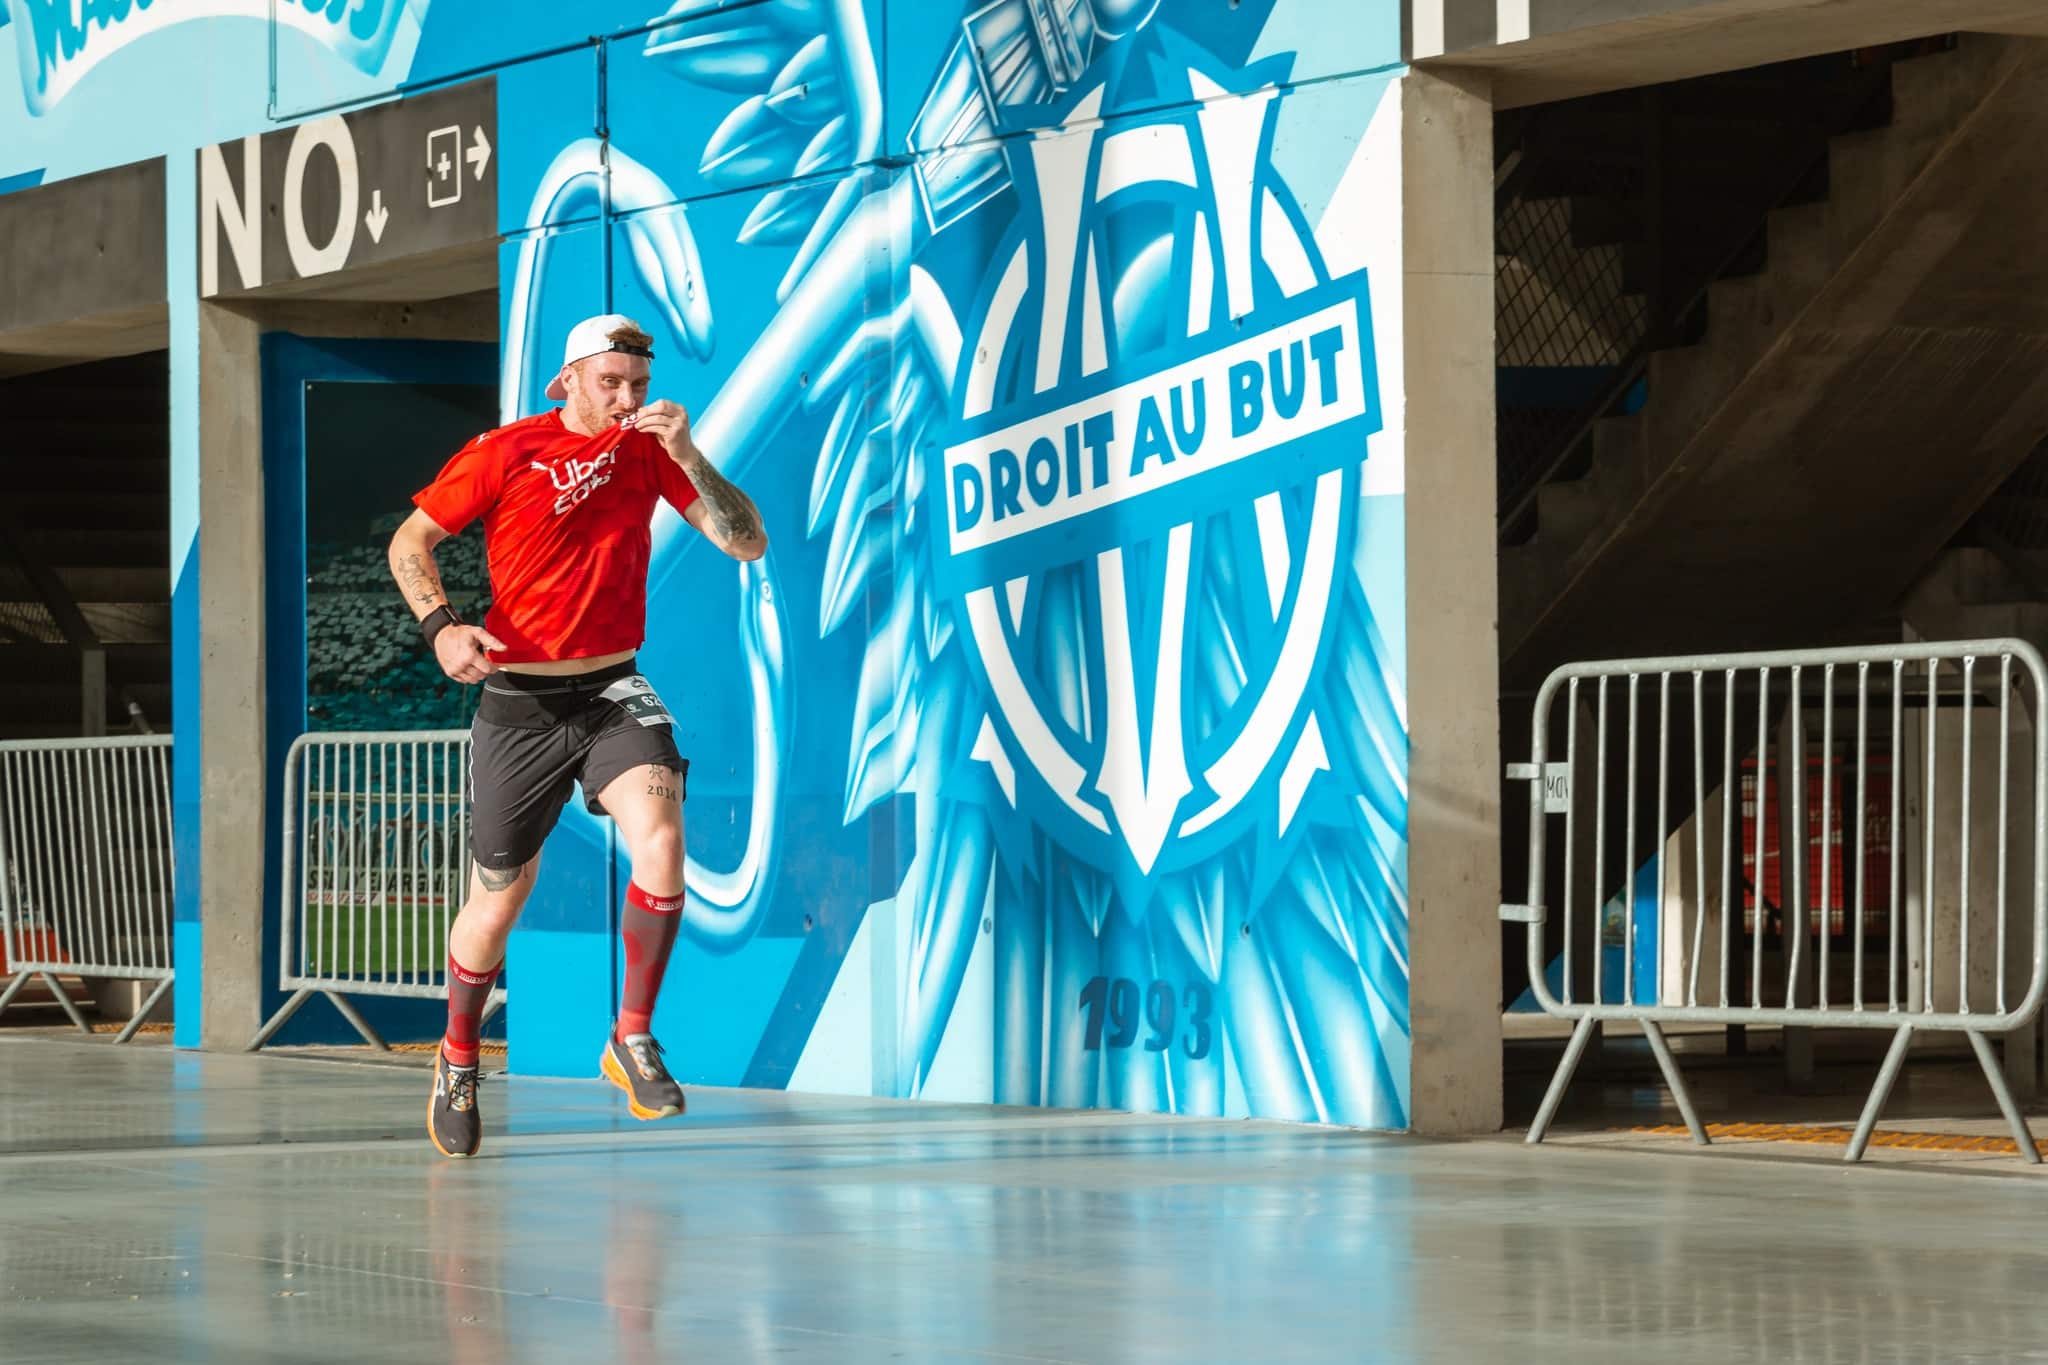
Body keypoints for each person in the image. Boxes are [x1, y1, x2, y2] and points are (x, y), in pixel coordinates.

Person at [387, 313, 766, 1158]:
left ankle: (630, 1037)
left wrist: (692, 453)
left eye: (638, 384)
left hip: (611, 688)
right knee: (496, 903)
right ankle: (457, 1054)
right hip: (517, 702)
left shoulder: (654, 452)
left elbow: (747, 541)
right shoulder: (506, 450)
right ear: (567, 381)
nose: (628, 399)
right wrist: (443, 627)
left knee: (662, 839)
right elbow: (411, 540)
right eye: (611, 384)